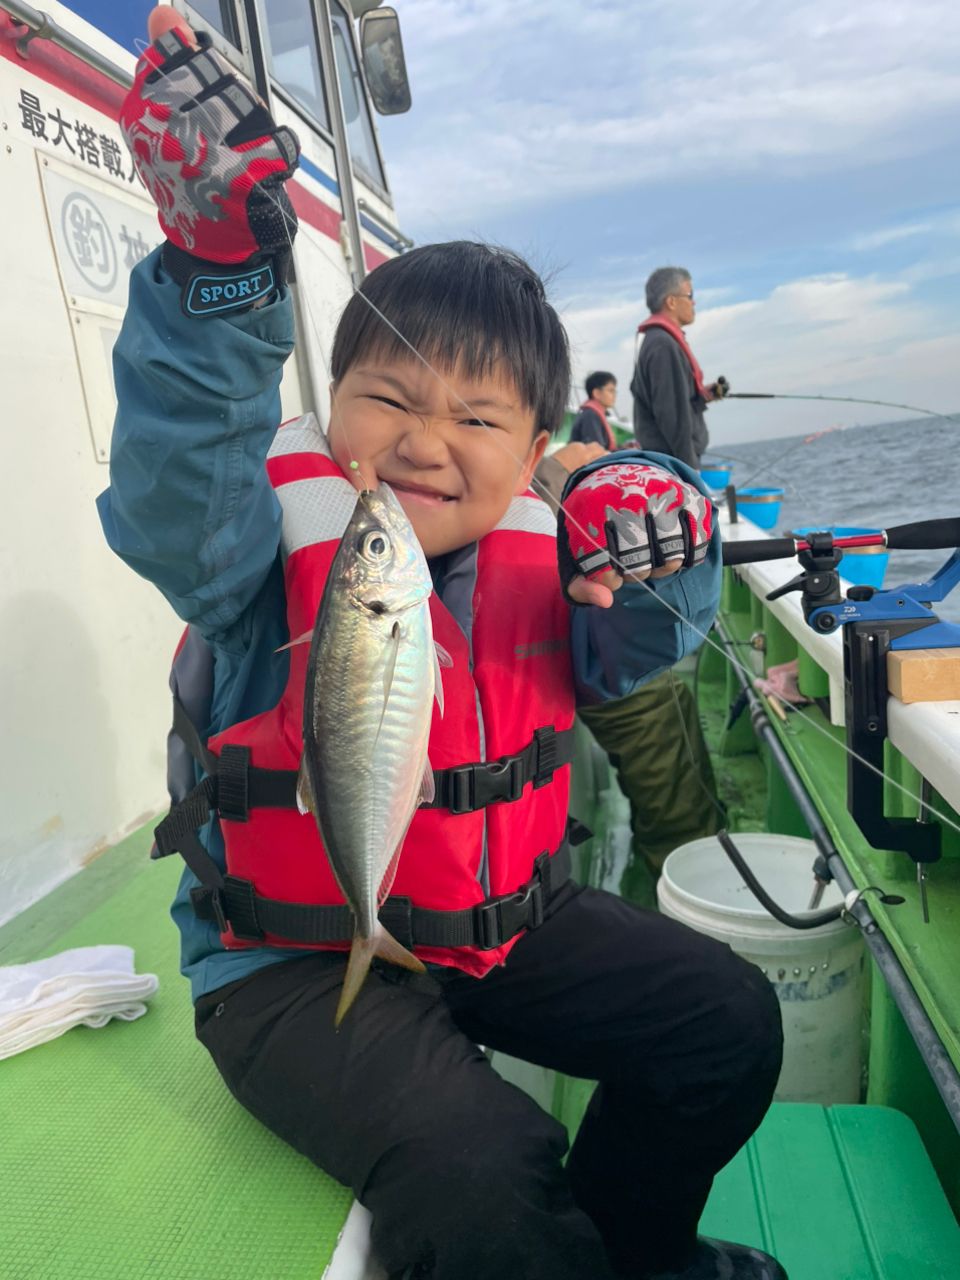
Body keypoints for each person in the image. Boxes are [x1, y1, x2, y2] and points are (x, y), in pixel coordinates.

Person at [98, 12, 785, 1280]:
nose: (425, 442)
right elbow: (169, 494)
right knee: (484, 1163)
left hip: (497, 917)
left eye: (477, 417)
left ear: (533, 454)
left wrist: (659, 551)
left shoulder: (551, 551)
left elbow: (642, 646)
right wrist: (217, 282)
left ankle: (637, 1251)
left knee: (726, 1018)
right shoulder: (253, 545)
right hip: (285, 961)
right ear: (330, 403)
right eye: (389, 398)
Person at [631, 267, 729, 469]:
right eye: (690, 295)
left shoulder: (656, 341)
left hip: (670, 461)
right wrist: (689, 472)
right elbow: (673, 418)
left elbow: (671, 403)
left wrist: (703, 396)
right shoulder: (663, 345)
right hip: (674, 463)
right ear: (671, 301)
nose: (694, 302)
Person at [569, 371, 619, 449]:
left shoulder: (593, 412)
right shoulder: (590, 415)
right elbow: (595, 450)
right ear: (597, 393)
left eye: (615, 391)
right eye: (611, 391)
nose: (614, 395)